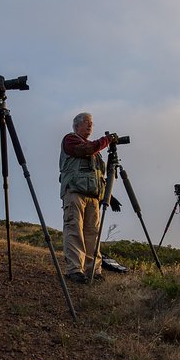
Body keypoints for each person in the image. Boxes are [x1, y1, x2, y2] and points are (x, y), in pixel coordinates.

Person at [59, 112, 120, 284]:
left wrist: (108, 195)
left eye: (91, 123)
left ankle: (94, 270)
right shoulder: (71, 140)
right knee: (74, 231)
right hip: (74, 192)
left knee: (93, 233)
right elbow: (85, 150)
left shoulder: (95, 151)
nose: (90, 125)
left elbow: (97, 174)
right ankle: (75, 270)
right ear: (77, 125)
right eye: (86, 122)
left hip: (92, 196)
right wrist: (106, 140)